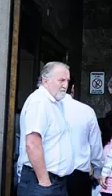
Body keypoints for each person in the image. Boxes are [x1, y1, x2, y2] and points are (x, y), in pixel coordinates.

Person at [17, 62, 75, 196]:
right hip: (40, 182)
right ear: (45, 80)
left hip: (55, 183)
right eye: (61, 80)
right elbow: (32, 143)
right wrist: (44, 181)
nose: (65, 85)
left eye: (67, 80)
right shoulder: (39, 102)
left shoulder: (55, 103)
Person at [61, 77, 102, 196]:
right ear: (72, 89)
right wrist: (98, 171)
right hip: (78, 177)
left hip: (49, 175)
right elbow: (96, 146)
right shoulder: (86, 111)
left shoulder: (45, 107)